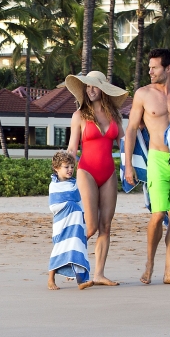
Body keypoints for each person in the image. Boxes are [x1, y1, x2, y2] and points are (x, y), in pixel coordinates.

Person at [122, 49, 170, 285]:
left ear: (168, 68)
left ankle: (169, 272)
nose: (150, 71)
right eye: (149, 67)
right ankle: (149, 263)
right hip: (156, 158)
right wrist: (127, 167)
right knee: (157, 215)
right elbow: (132, 129)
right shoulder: (143, 94)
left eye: (154, 67)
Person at [65, 70, 128, 287]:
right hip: (87, 171)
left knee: (106, 226)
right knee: (90, 226)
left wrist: (131, 166)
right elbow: (73, 148)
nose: (90, 91)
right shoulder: (79, 116)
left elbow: (124, 145)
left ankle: (99, 274)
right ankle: (69, 259)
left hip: (109, 173)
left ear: (103, 89)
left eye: (94, 86)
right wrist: (65, 168)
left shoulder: (115, 116)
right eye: (87, 87)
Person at [48, 150, 91, 291]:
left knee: (77, 247)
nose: (70, 169)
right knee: (60, 248)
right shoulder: (54, 185)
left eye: (72, 166)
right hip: (62, 223)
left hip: (76, 223)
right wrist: (69, 205)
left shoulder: (74, 183)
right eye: (66, 167)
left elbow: (79, 202)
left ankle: (81, 281)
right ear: (57, 168)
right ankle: (50, 279)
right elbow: (54, 206)